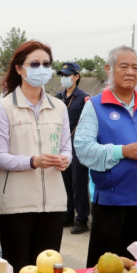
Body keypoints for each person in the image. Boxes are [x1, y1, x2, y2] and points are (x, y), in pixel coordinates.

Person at [75, 46, 137, 268]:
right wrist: (122, 151)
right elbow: (83, 148)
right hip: (113, 204)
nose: (131, 72)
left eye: (136, 67)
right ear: (109, 69)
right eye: (124, 66)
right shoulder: (96, 105)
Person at [0, 41, 71, 273]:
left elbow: (67, 149)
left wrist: (65, 159)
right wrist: (32, 161)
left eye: (46, 64)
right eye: (34, 64)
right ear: (19, 69)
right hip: (16, 206)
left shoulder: (59, 107)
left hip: (54, 204)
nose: (41, 68)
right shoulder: (4, 108)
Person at [57, 61, 90, 234]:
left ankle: (82, 218)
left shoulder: (84, 98)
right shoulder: (58, 97)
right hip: (62, 145)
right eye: (62, 75)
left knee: (78, 183)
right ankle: (68, 214)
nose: (64, 78)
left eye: (67, 75)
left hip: (78, 145)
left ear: (76, 77)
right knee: (65, 182)